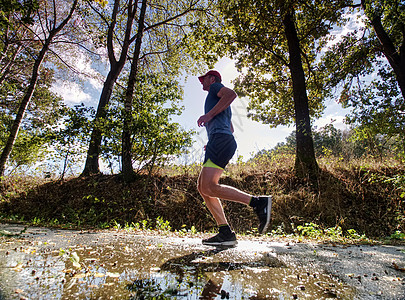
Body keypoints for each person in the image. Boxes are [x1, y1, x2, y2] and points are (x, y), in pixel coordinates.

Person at [196, 70, 272, 247]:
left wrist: (209, 116)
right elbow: (230, 128)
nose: (202, 82)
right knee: (203, 187)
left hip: (221, 141)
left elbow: (231, 94)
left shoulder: (216, 88)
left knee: (208, 186)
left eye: (204, 79)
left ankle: (258, 203)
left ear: (212, 79)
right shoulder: (218, 102)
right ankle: (225, 232)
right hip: (220, 140)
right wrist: (213, 140)